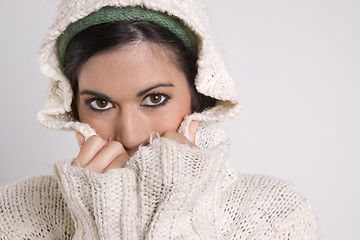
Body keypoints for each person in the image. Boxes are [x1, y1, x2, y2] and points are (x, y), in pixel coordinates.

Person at [0, 0, 318, 239]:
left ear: (199, 95)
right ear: (72, 106)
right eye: (100, 103)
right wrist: (99, 224)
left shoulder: (274, 213)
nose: (131, 134)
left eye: (155, 99)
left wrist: (176, 212)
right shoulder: (19, 212)